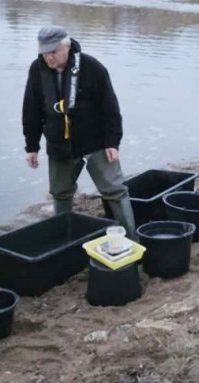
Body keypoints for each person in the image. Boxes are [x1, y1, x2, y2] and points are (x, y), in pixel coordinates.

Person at [22, 26, 138, 238]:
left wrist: (113, 142)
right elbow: (31, 109)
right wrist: (31, 147)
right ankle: (64, 241)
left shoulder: (92, 67)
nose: (49, 57)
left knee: (115, 190)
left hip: (95, 142)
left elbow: (110, 108)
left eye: (53, 52)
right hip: (60, 145)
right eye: (44, 52)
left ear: (66, 47)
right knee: (60, 194)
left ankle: (131, 239)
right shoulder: (36, 70)